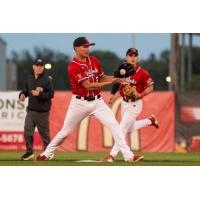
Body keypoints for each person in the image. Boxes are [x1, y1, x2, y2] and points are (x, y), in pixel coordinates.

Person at [37, 37, 143, 162]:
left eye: (88, 46)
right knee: (65, 132)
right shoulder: (73, 66)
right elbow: (88, 85)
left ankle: (129, 156)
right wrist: (114, 81)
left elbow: (102, 78)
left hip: (97, 102)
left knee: (114, 125)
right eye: (85, 46)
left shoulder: (94, 60)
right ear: (76, 48)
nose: (88, 49)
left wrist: (117, 78)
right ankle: (47, 153)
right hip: (79, 103)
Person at [103, 48, 159, 162]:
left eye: (135, 55)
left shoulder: (142, 73)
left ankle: (112, 156)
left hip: (135, 104)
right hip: (124, 103)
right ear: (126, 57)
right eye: (130, 55)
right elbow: (116, 82)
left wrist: (141, 94)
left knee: (121, 129)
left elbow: (151, 87)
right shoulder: (122, 70)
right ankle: (150, 121)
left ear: (137, 58)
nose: (133, 58)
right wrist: (112, 95)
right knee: (129, 128)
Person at [19, 58, 54, 160]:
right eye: (37, 65)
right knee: (27, 131)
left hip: (42, 112)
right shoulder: (29, 78)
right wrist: (22, 94)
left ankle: (48, 152)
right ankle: (29, 152)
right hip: (30, 110)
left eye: (41, 66)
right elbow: (26, 89)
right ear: (33, 66)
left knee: (45, 135)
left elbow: (51, 94)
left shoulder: (47, 79)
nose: (39, 67)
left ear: (43, 67)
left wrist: (40, 94)